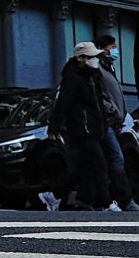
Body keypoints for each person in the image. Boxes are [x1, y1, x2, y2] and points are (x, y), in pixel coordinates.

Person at [50, 41, 113, 211]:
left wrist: (104, 124)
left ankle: (79, 199)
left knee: (84, 166)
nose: (95, 60)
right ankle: (104, 202)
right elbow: (63, 103)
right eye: (92, 57)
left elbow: (98, 103)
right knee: (99, 164)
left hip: (93, 128)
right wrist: (54, 127)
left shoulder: (91, 76)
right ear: (81, 58)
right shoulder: (72, 78)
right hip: (82, 129)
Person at [91, 34, 135, 212]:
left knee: (107, 161)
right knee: (116, 158)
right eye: (112, 46)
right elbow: (99, 96)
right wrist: (113, 110)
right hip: (105, 122)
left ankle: (107, 199)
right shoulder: (98, 69)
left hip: (115, 123)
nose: (115, 50)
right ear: (104, 49)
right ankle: (124, 200)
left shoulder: (109, 67)